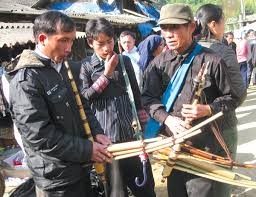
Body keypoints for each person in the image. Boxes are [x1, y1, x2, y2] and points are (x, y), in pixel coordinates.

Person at [142, 3, 243, 197]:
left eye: (175, 27)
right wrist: (167, 118)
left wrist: (209, 109)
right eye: (164, 28)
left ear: (191, 26)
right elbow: (148, 98)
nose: (168, 34)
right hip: (173, 149)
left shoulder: (212, 60)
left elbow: (233, 97)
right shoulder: (158, 65)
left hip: (203, 151)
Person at [8, 11, 112, 197]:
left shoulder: (64, 67)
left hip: (79, 169)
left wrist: (96, 132)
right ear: (42, 39)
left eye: (72, 41)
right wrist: (87, 149)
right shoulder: (26, 80)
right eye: (64, 40)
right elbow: (40, 136)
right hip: (56, 179)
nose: (69, 48)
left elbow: (82, 105)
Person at [79, 18, 156, 197]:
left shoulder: (124, 62)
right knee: (116, 190)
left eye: (110, 41)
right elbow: (85, 98)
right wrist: (106, 74)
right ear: (90, 43)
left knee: (145, 187)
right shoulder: (86, 66)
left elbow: (136, 96)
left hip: (131, 136)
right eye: (100, 44)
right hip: (107, 141)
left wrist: (144, 130)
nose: (106, 48)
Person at [194, 3, 247, 196]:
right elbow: (239, 94)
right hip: (222, 126)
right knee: (222, 177)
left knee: (200, 179)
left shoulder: (189, 49)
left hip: (191, 128)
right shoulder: (222, 51)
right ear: (214, 24)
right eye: (223, 22)